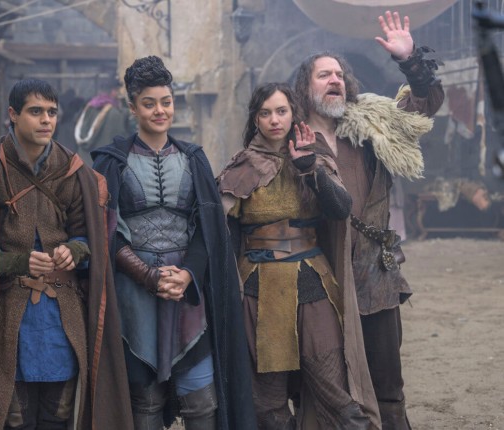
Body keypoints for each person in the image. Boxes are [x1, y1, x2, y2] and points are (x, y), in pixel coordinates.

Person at [0, 78, 133, 430]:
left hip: (62, 318)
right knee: (13, 418)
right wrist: (18, 261)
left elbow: (86, 233)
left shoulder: (72, 170)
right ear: (13, 114)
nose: (45, 120)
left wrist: (74, 249)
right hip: (6, 315)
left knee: (58, 417)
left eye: (51, 112)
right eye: (35, 111)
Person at [293, 10, 445, 429]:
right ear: (305, 87)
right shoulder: (291, 139)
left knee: (387, 384)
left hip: (374, 274)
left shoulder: (371, 125)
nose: (335, 80)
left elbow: (422, 108)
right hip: (320, 276)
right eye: (324, 75)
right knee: (327, 385)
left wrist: (410, 62)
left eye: (339, 74)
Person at [92, 55, 257, 430]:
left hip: (188, 292)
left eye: (165, 102)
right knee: (145, 400)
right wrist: (147, 276)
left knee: (201, 399)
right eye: (149, 103)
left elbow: (207, 228)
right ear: (133, 107)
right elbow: (106, 230)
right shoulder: (111, 162)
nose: (159, 111)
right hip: (133, 294)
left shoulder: (193, 159)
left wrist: (186, 275)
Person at [217, 82, 379, 429]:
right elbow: (226, 236)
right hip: (259, 290)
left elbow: (340, 210)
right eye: (265, 113)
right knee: (267, 402)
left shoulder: (313, 158)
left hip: (312, 283)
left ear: (293, 115)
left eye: (281, 111)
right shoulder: (242, 167)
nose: (274, 120)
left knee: (334, 391)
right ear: (256, 119)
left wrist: (311, 169)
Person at [74, 75, 132, 165]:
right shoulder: (115, 113)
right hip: (103, 167)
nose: (119, 93)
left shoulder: (88, 108)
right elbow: (123, 141)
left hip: (85, 165)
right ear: (113, 92)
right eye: (118, 90)